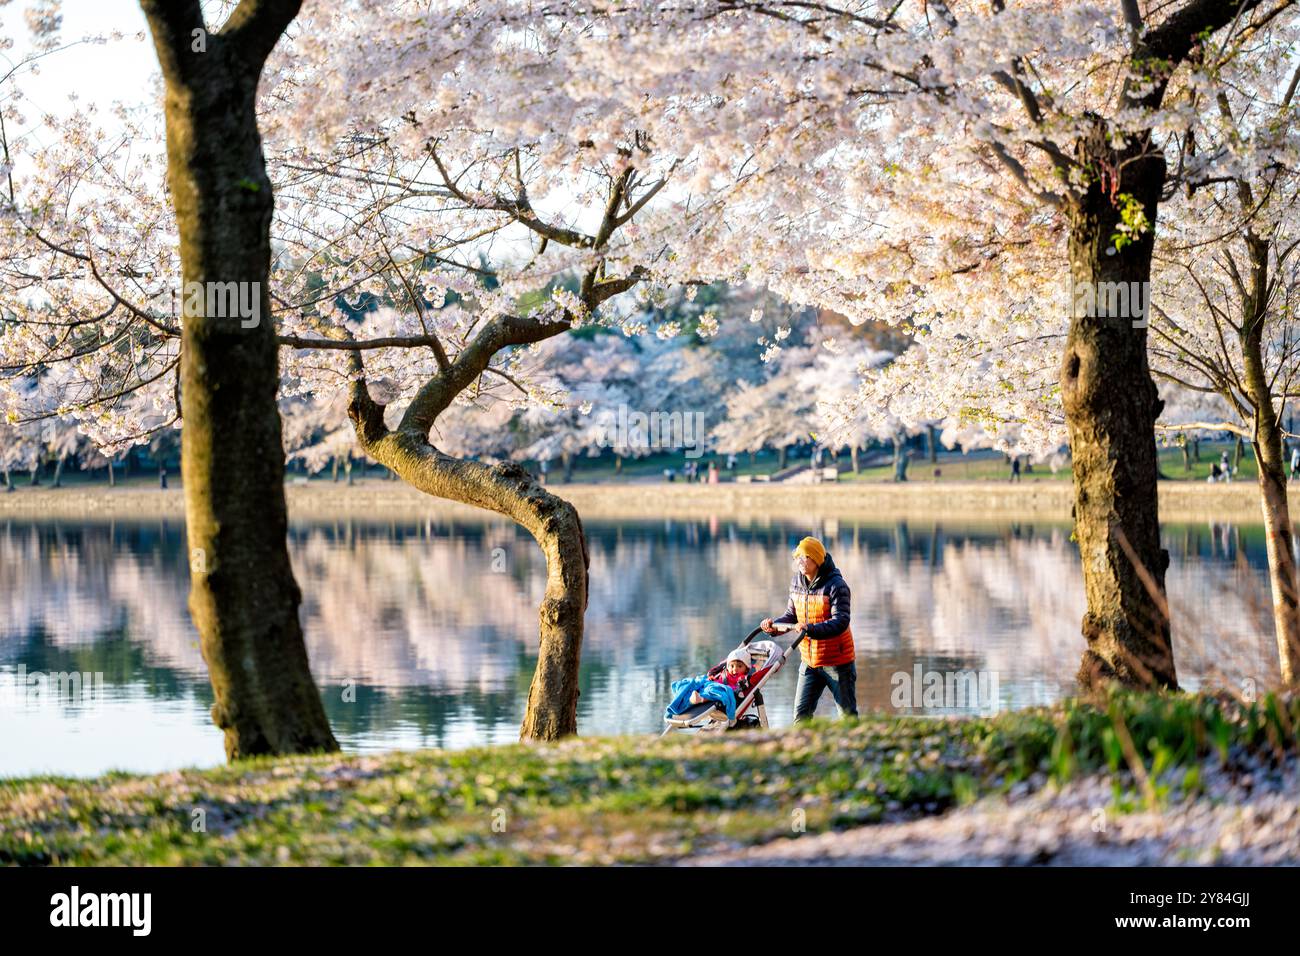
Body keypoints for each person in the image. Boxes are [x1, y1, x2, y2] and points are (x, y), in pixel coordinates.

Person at [762, 536, 857, 722]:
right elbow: (791, 616)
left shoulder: (836, 585)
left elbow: (841, 621)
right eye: (798, 557)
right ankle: (802, 747)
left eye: (805, 557)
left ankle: (854, 748)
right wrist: (774, 627)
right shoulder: (797, 582)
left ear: (816, 559)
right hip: (809, 662)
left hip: (837, 662)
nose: (800, 561)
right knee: (800, 716)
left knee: (847, 717)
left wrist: (810, 628)